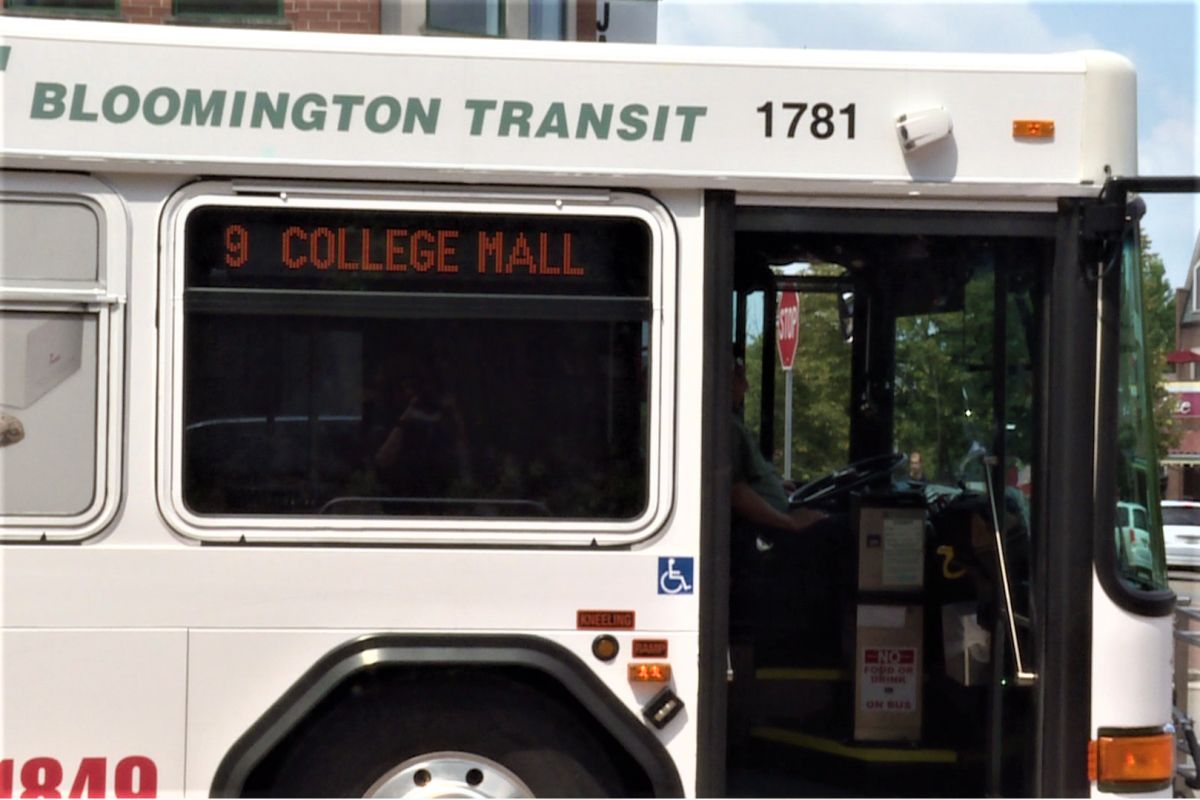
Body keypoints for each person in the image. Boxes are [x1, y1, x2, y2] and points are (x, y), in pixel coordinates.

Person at [731, 358, 825, 533]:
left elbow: (751, 480)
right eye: (740, 376)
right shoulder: (724, 428)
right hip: (766, 533)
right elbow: (736, 493)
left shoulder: (734, 422)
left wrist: (776, 485)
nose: (746, 386)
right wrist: (790, 522)